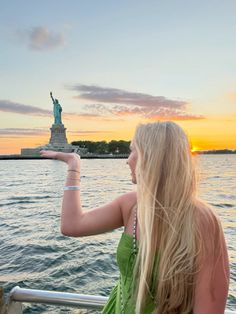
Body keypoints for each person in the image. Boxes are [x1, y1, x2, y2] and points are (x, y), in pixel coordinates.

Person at [40, 121, 229, 314]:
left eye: (133, 151)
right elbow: (72, 225)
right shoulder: (131, 205)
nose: (127, 160)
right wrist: (74, 166)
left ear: (151, 157)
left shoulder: (203, 221)